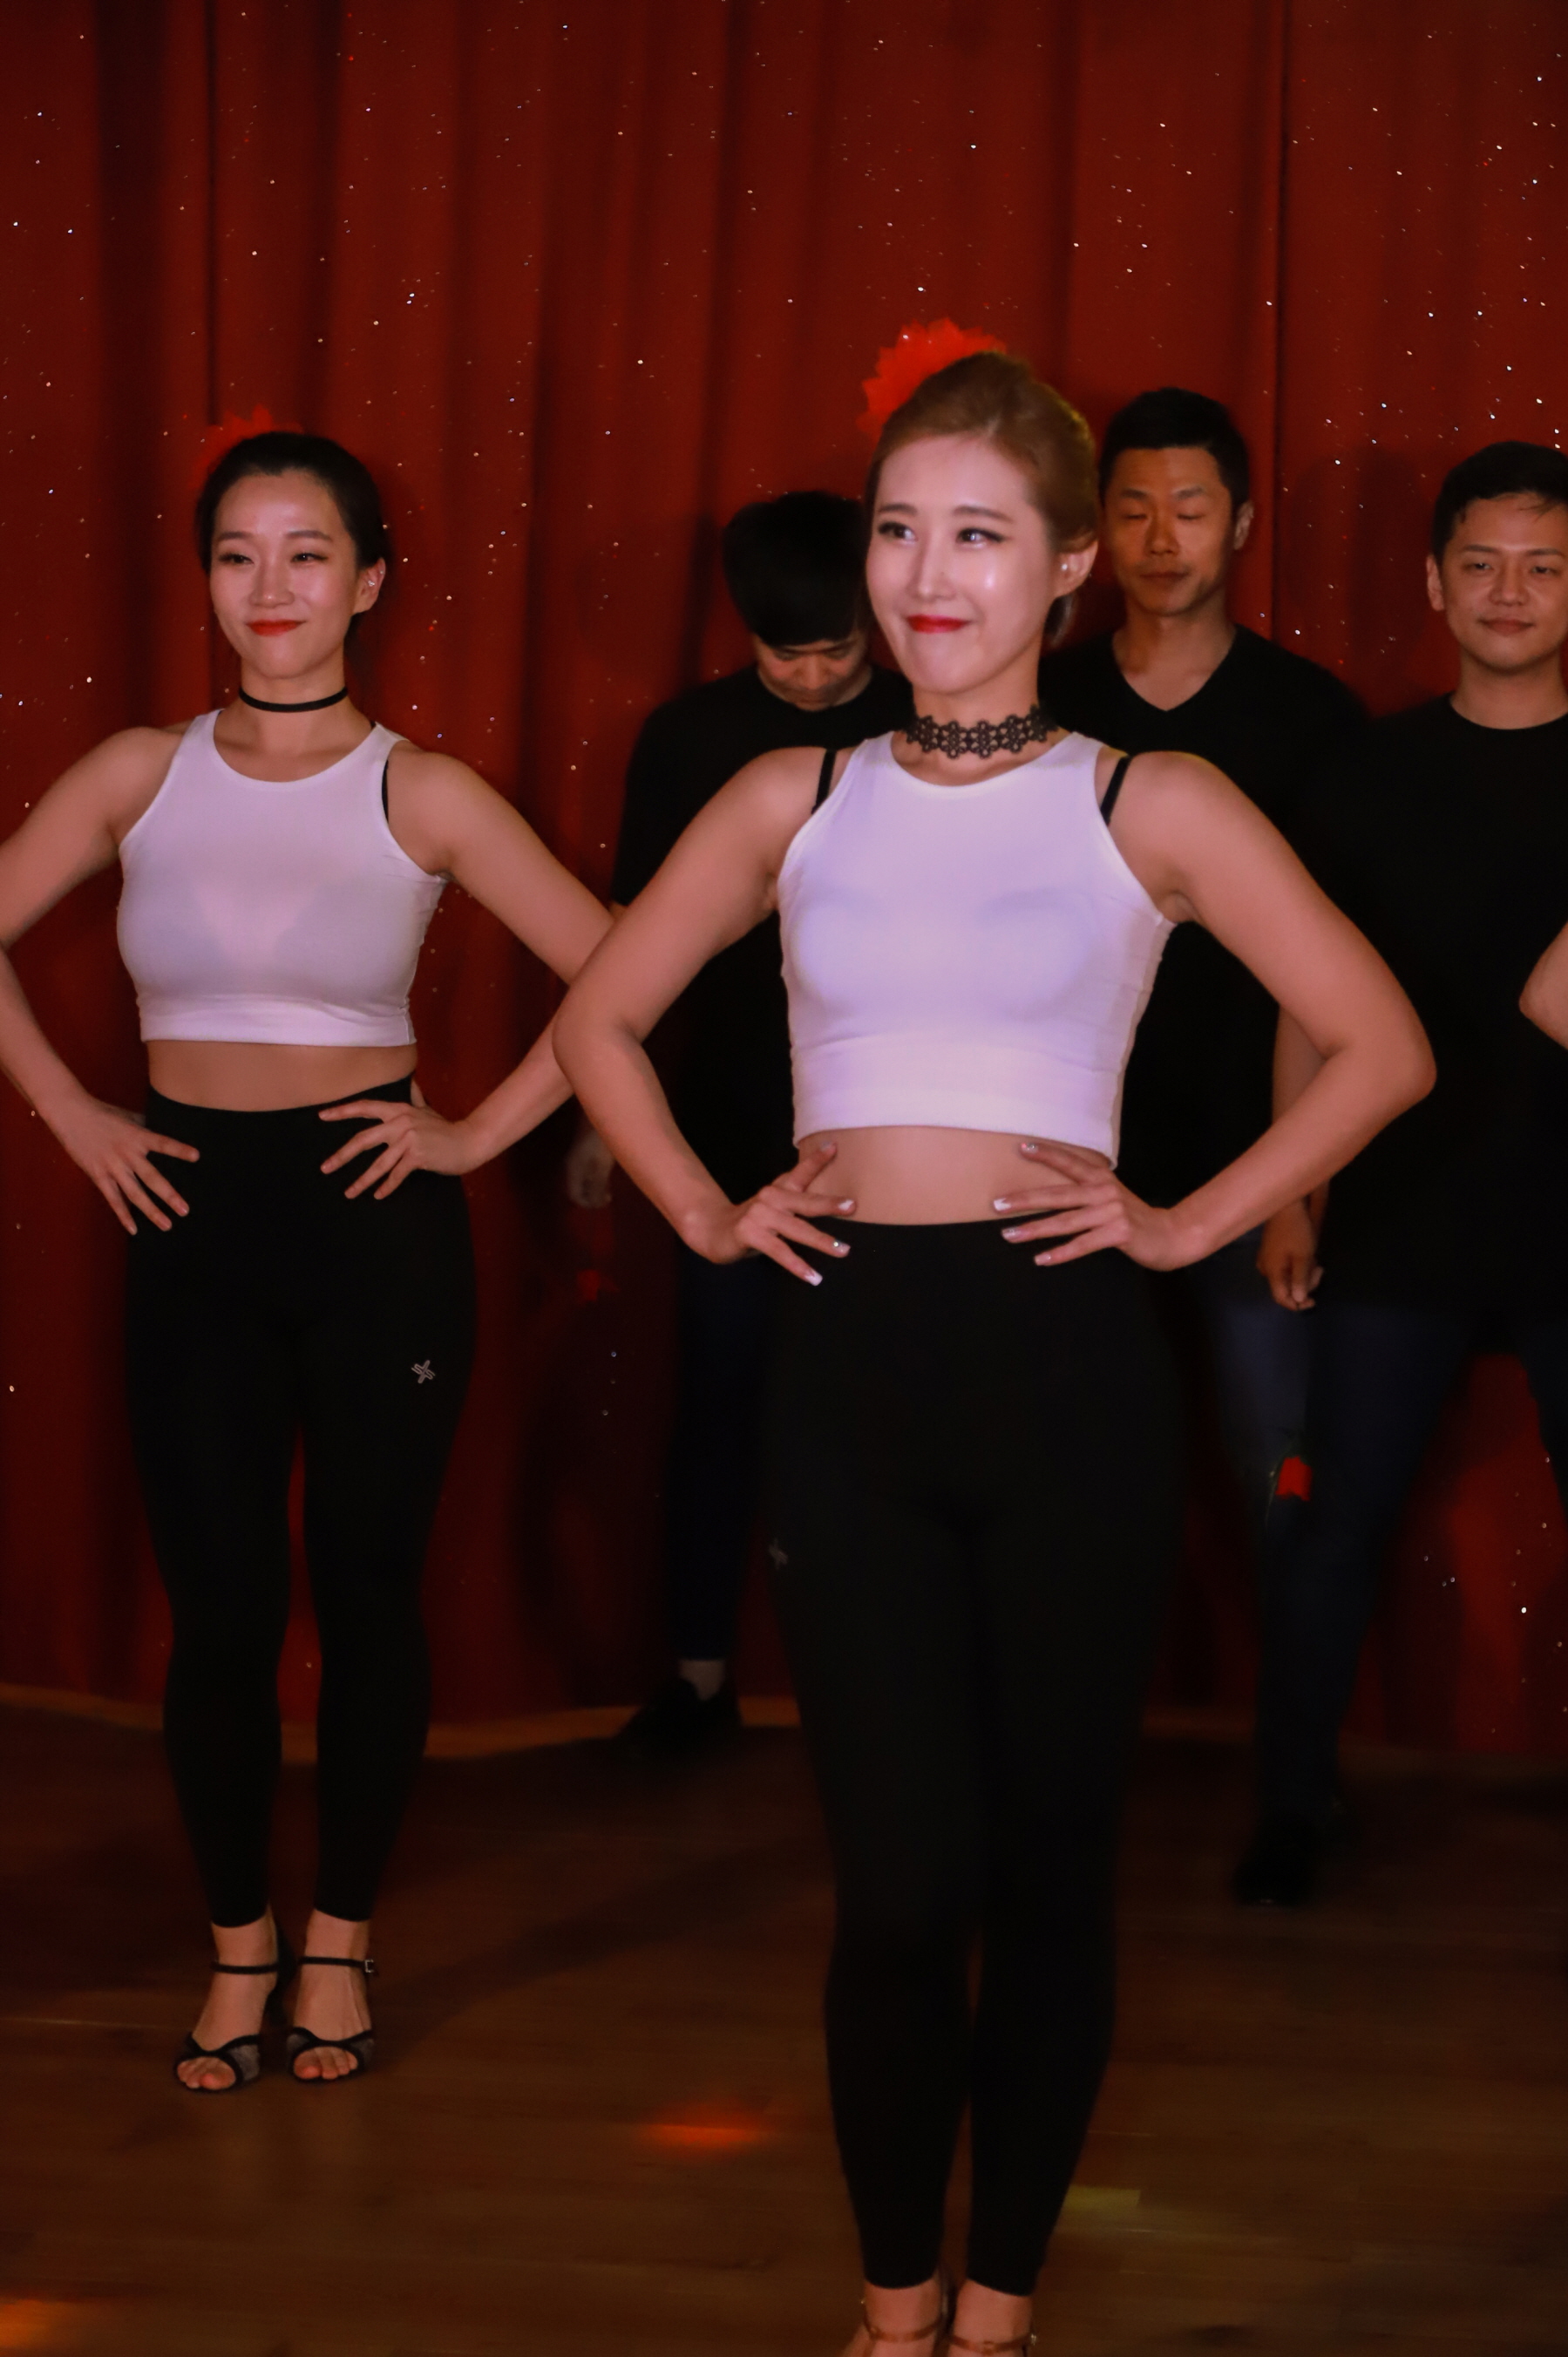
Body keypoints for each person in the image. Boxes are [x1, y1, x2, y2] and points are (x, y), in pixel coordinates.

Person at [556, 340, 1429, 2356]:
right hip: (850, 1369)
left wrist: (1189, 1218)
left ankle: (1000, 2308)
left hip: (1067, 1373)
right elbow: (597, 1018)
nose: (926, 573)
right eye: (898, 529)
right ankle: (892, 2315)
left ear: (1065, 568)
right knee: (899, 1890)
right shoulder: (793, 792)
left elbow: (1383, 1041)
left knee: (1048, 1872)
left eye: (977, 534)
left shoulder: (1150, 796)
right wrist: (705, 1207)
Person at [0, 431, 608, 2089]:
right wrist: (74, 1114)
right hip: (189, 1216)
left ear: (369, 581)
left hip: (372, 1223)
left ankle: (338, 1937)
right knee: (219, 1613)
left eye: (307, 553)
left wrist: (476, 1134)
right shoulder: (138, 773)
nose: (270, 587)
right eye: (238, 554)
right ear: (208, 580)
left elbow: (623, 968)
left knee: (365, 1587)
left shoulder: (425, 790)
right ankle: (237, 1947)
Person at [1245, 439, 1568, 1906]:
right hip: (1397, 1209)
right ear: (1435, 583)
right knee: (1336, 1520)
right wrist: (1292, 1192)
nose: (1511, 592)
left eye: (1544, 567)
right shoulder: (1364, 772)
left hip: (1567, 1213)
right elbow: (1302, 1006)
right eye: (1482, 564)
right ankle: (1291, 1803)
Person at [566, 492, 910, 1756]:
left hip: (890, 1129)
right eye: (785, 654)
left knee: (882, 1418)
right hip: (727, 1116)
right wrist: (604, 1118)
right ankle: (700, 1675)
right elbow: (626, 947)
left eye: (837, 651)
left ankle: (884, 1694)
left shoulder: (928, 722)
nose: (814, 678)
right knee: (719, 1400)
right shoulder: (689, 736)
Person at [1042, 387, 1365, 1540]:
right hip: (1064, 1162)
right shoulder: (1043, 701)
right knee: (1068, 1474)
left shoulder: (1311, 717)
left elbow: (1331, 991)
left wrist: (1300, 1200)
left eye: (1190, 508)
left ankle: (1287, 1671)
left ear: (1242, 524)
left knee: (1275, 1471)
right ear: (1095, 529)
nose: (1161, 539)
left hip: (1249, 1166)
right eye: (1134, 510)